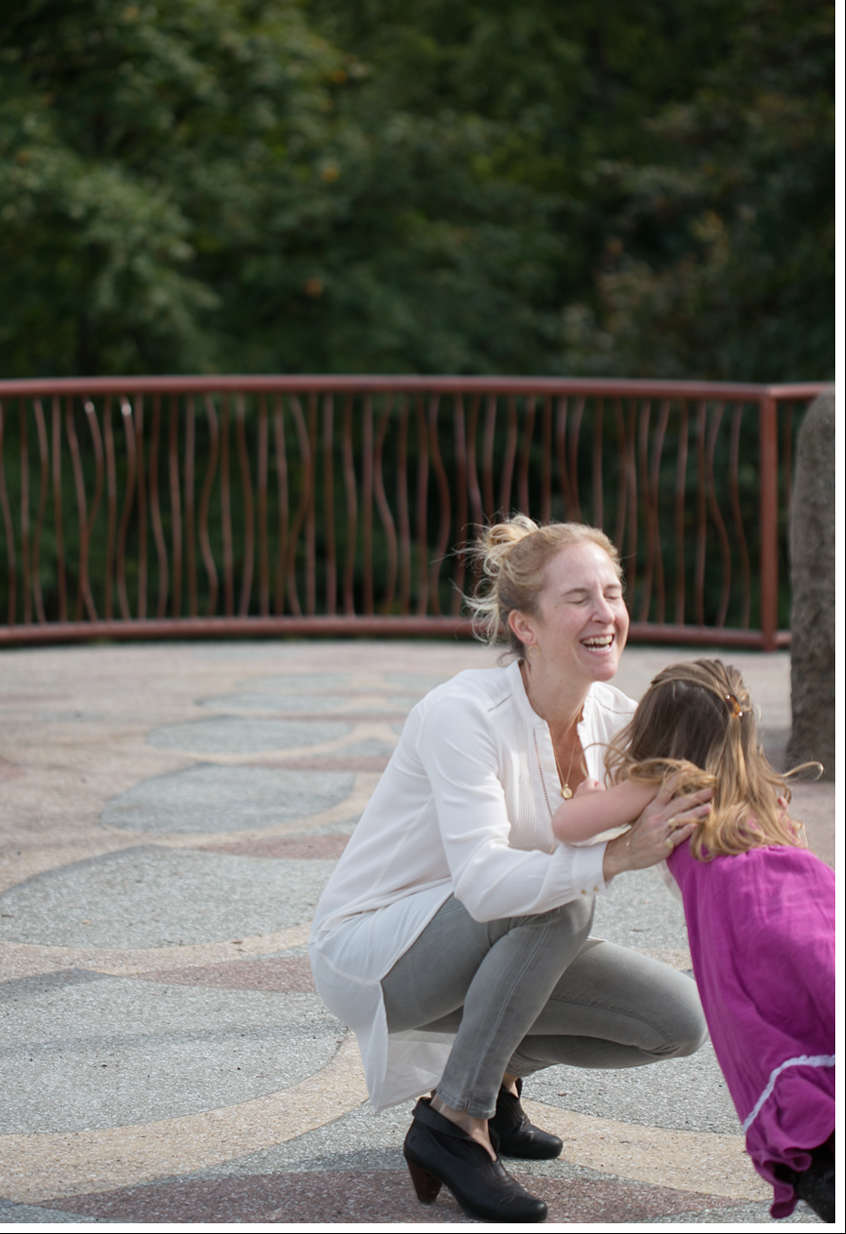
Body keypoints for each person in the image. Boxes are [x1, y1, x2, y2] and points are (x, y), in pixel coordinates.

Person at [309, 517, 713, 1223]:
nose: (605, 614)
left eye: (612, 593)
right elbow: (486, 884)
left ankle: (495, 1086)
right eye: (579, 598)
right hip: (375, 955)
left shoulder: (617, 720)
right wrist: (616, 855)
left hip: (488, 938)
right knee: (565, 898)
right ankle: (455, 1119)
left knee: (675, 1020)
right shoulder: (462, 713)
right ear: (524, 625)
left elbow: (699, 807)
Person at [550, 658, 835, 1223]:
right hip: (804, 902)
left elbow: (568, 824)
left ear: (656, 736)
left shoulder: (670, 783)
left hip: (748, 923)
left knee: (783, 1048)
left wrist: (586, 789)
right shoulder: (758, 787)